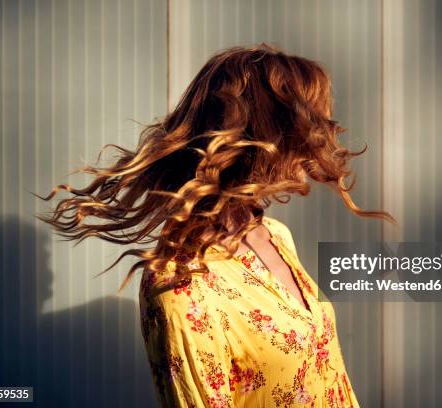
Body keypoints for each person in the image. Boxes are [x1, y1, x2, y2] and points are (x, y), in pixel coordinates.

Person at [37, 43, 393, 407]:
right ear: (266, 133)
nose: (321, 135)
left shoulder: (274, 235)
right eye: (309, 121)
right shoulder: (182, 284)